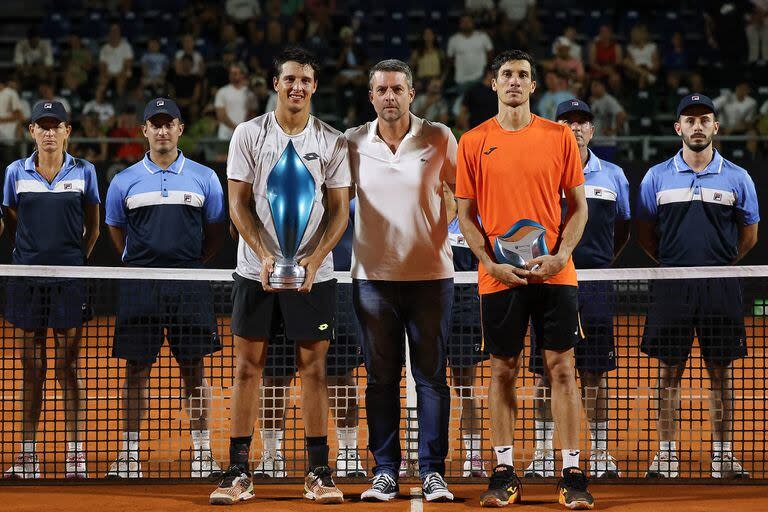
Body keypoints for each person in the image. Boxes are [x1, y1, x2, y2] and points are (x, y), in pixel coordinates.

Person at [454, 50, 594, 509]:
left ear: (534, 86)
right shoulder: (473, 141)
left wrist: (560, 256)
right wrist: (489, 264)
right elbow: (466, 216)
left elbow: (578, 207)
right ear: (494, 84)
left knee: (562, 371)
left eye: (523, 75)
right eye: (507, 75)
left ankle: (572, 474)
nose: (514, 82)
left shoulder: (559, 138)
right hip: (499, 277)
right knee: (502, 371)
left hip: (555, 274)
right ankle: (503, 472)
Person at [210, 47, 350, 505]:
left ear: (313, 87)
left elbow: (339, 213)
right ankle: (237, 470)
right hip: (255, 273)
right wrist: (265, 255)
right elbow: (238, 204)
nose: (297, 87)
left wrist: (313, 260)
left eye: (305, 80)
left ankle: (318, 471)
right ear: (276, 84)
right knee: (247, 368)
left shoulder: (331, 141)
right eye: (290, 79)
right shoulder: (248, 135)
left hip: (316, 275)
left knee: (314, 371)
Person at [345, 59, 457, 503]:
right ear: (371, 96)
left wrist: (437, 231)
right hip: (372, 281)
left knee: (431, 379)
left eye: (397, 89)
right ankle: (386, 471)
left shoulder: (439, 137)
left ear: (412, 94)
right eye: (382, 90)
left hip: (432, 278)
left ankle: (433, 471)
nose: (390, 97)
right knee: (380, 379)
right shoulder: (352, 142)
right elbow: (336, 205)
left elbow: (460, 195)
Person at [637, 94, 759, 479]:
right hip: (672, 287)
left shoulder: (739, 177)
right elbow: (644, 233)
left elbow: (749, 235)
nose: (697, 126)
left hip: (720, 287)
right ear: (678, 129)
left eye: (704, 120)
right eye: (689, 121)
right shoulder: (655, 176)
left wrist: (721, 265)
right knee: (668, 374)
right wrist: (673, 267)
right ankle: (667, 454)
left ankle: (723, 456)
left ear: (715, 127)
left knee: (721, 374)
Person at [104, 98, 226, 479]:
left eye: (168, 123)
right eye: (154, 124)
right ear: (144, 131)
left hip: (190, 283)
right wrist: (138, 260)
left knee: (194, 369)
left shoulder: (205, 177)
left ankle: (203, 453)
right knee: (136, 370)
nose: (161, 131)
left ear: (179, 129)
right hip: (140, 283)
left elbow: (216, 230)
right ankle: (128, 456)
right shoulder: (123, 180)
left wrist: (192, 265)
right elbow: (115, 228)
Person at [525, 99, 630, 480]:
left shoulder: (615, 175)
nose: (575, 128)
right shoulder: (540, 171)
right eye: (567, 122)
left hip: (595, 287)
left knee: (594, 374)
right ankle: (541, 451)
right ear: (556, 128)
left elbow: (623, 230)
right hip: (550, 284)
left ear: (593, 130)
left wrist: (598, 265)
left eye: (583, 122)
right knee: (544, 374)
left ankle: (599, 452)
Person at [2, 101, 100, 479]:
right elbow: (12, 220)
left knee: (67, 367)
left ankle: (75, 454)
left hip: (68, 281)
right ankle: (29, 456)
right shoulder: (15, 172)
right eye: (41, 126)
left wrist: (74, 262)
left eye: (54, 126)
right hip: (27, 281)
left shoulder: (86, 171)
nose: (48, 132)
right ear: (31, 132)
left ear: (67, 131)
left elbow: (92, 228)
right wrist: (30, 256)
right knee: (31, 370)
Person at [250, 199, 366, 480]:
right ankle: (271, 454)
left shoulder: (350, 193)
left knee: (341, 371)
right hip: (281, 283)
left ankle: (349, 451)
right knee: (275, 375)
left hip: (334, 284)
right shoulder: (281, 195)